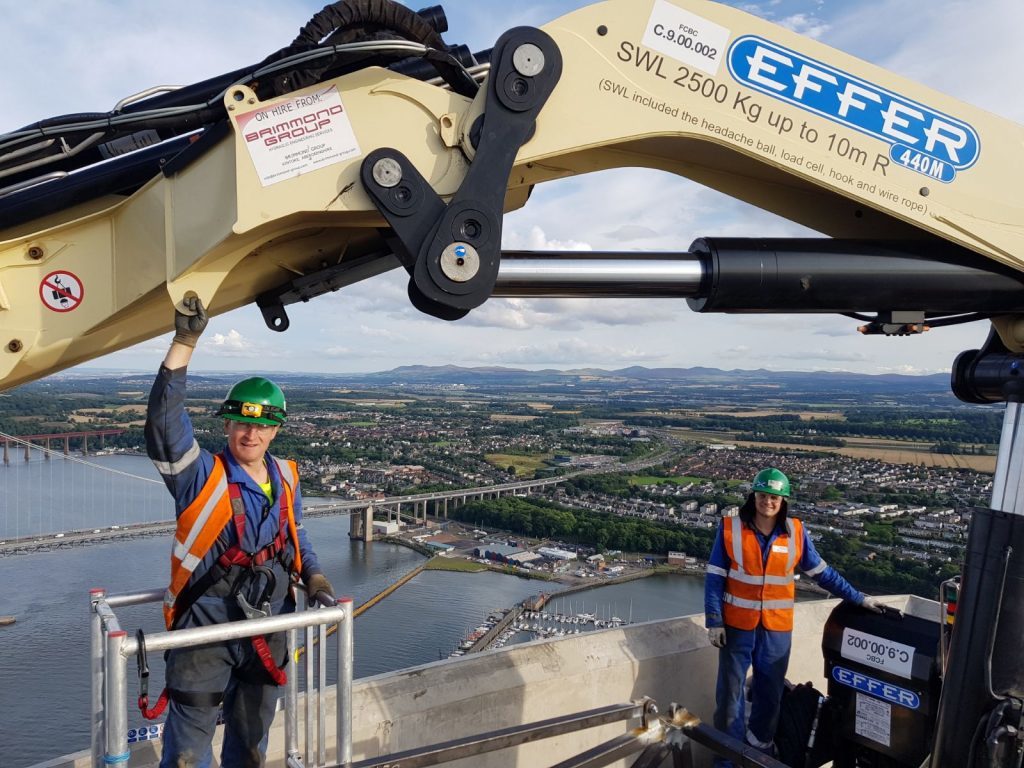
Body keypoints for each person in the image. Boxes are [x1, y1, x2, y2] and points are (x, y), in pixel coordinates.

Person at [145, 296, 335, 768]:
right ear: (228, 425)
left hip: (267, 625)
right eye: (241, 424)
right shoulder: (200, 477)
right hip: (205, 630)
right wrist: (184, 343)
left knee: (251, 743)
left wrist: (313, 574)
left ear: (275, 431)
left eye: (261, 426)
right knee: (189, 750)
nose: (249, 435)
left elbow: (296, 534)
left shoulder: (287, 477)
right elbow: (165, 425)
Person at [704, 467, 882, 767]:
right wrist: (714, 620)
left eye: (775, 497)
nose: (768, 502)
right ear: (754, 496)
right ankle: (728, 759)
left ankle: (758, 752)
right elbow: (714, 578)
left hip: (776, 629)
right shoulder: (730, 529)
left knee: (770, 696)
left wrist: (858, 597)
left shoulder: (796, 532)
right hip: (737, 627)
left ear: (783, 500)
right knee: (729, 697)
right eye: (763, 496)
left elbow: (822, 574)